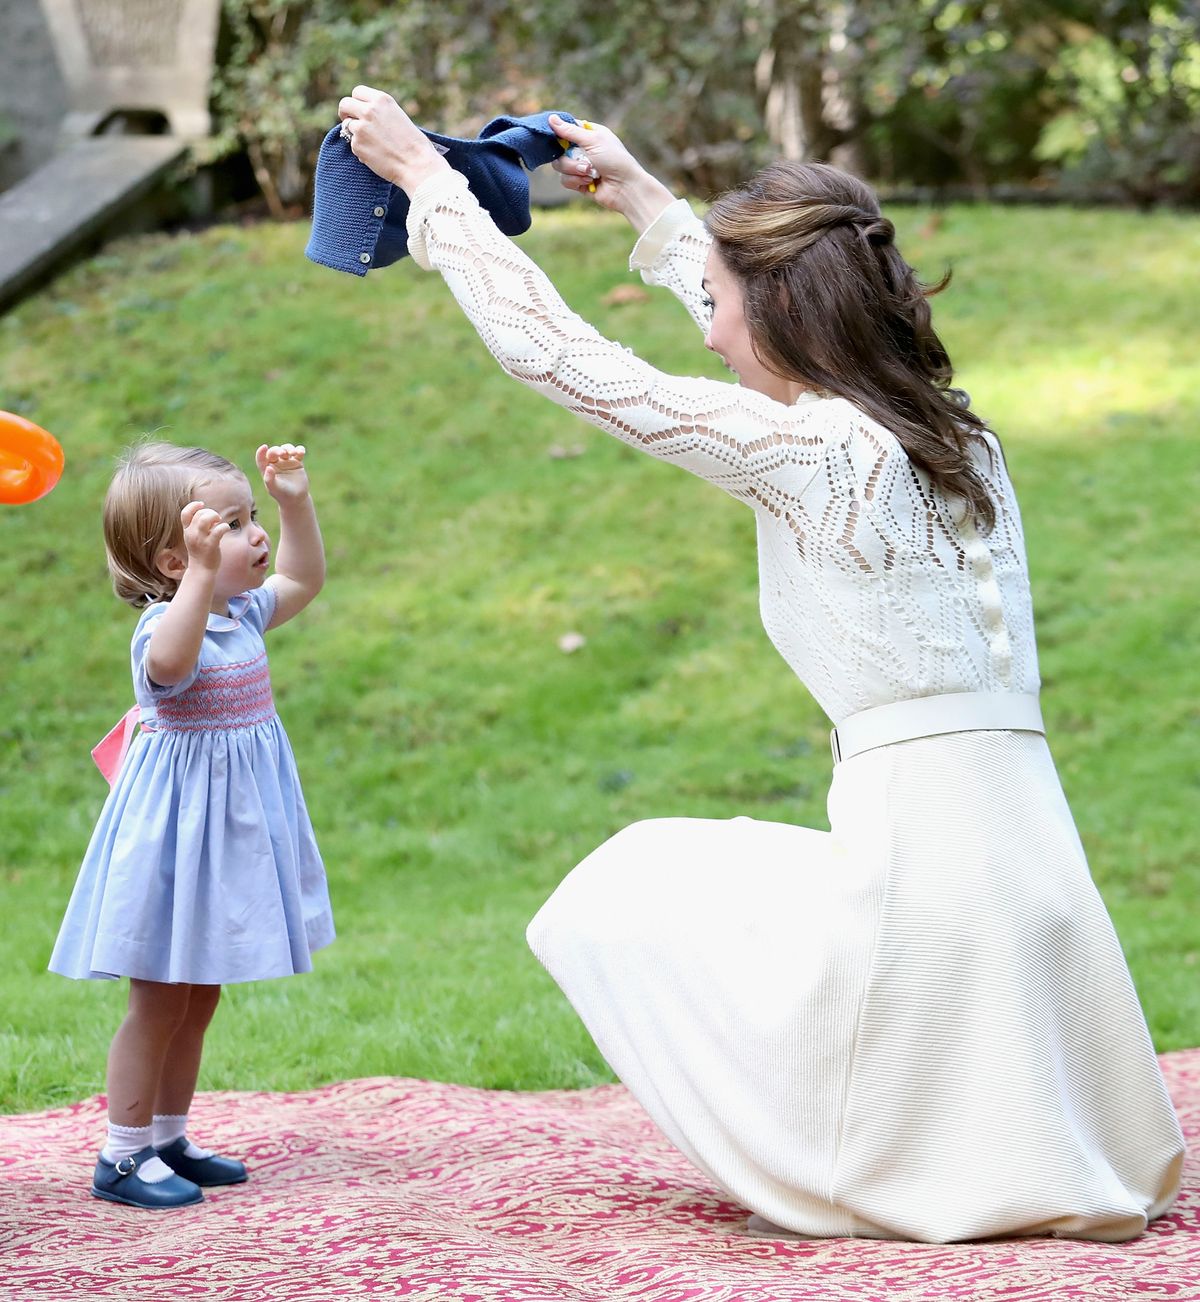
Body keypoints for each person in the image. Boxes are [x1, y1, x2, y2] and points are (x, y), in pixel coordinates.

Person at [336, 86, 1184, 1243]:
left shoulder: (815, 451)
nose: (710, 328)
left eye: (722, 304)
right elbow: (768, 311)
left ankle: (847, 1152)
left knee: (624, 886)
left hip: (925, 868)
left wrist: (431, 191)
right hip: (1025, 853)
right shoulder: (954, 437)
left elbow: (568, 363)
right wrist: (642, 197)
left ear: (783, 317)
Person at [50, 441, 334, 1209]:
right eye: (234, 524)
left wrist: (295, 500)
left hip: (225, 843)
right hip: (173, 847)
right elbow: (170, 671)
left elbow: (304, 578)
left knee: (199, 996)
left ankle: (167, 1136)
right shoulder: (163, 629)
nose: (256, 536)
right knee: (158, 1001)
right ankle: (120, 1154)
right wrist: (206, 579)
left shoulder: (240, 613)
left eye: (251, 519)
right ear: (177, 562)